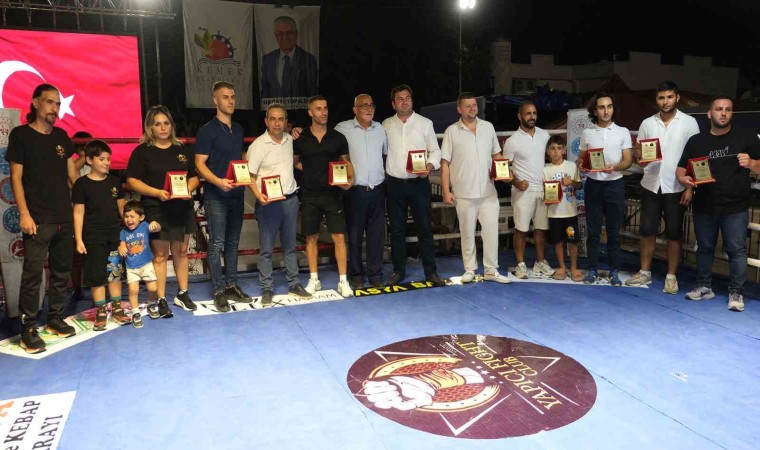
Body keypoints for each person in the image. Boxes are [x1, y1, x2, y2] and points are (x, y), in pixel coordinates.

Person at [6, 84, 80, 353]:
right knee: (33, 274)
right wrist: (24, 213)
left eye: (58, 104)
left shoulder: (61, 136)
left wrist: (86, 201)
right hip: (37, 218)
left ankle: (55, 318)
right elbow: (15, 178)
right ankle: (27, 327)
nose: (54, 108)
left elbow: (72, 174)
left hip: (64, 216)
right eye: (49, 102)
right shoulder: (21, 135)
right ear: (35, 103)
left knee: (61, 272)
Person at [676, 96, 760, 312]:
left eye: (728, 110)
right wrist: (685, 181)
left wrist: (752, 163)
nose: (723, 113)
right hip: (705, 204)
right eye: (719, 109)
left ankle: (736, 292)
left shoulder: (746, 136)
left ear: (732, 113)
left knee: (736, 250)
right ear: (709, 113)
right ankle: (704, 286)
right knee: (704, 248)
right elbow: (681, 169)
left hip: (735, 206)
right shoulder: (696, 141)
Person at [126, 105, 200, 318]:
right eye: (157, 124)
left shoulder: (182, 150)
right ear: (150, 127)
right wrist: (157, 192)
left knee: (182, 251)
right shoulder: (142, 151)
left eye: (166, 123)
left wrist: (187, 189)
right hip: (156, 207)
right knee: (160, 255)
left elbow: (194, 177)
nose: (163, 127)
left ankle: (183, 293)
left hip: (181, 207)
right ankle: (160, 299)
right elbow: (132, 181)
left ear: (172, 125)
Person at [626, 81, 700, 293]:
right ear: (656, 99)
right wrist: (640, 158)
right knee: (647, 230)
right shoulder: (647, 123)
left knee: (674, 234)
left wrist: (690, 188)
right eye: (661, 98)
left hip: (677, 186)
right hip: (651, 183)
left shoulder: (689, 123)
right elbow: (639, 153)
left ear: (677, 97)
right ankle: (644, 272)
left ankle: (671, 276)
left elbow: (695, 158)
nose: (665, 101)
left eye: (669, 97)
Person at [440, 92, 510, 284]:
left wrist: (505, 172)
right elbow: (444, 163)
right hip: (463, 192)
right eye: (467, 105)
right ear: (459, 109)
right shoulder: (451, 131)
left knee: (491, 232)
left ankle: (491, 270)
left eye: (474, 105)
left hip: (488, 191)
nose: (472, 108)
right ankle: (469, 269)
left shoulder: (488, 127)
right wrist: (446, 191)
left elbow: (497, 155)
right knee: (467, 233)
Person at [247, 103, 312, 306]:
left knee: (290, 246)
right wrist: (258, 195)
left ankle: (294, 283)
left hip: (290, 200)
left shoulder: (290, 140)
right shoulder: (258, 145)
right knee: (266, 249)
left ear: (286, 122)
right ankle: (267, 288)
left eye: (281, 119)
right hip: (268, 203)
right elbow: (249, 175)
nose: (277, 123)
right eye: (273, 119)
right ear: (266, 121)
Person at [195, 81, 252, 313]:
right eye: (225, 97)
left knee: (232, 243)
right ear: (215, 100)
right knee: (216, 243)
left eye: (233, 96)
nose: (230, 100)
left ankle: (231, 285)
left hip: (236, 193)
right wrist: (218, 181)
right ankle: (218, 290)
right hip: (216, 195)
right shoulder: (206, 130)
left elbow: (241, 159)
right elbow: (199, 164)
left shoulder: (238, 129)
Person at [382, 85, 445, 286]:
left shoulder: (425, 123)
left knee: (424, 229)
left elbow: (436, 151)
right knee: (397, 230)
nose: (404, 101)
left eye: (407, 98)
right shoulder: (385, 124)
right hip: (394, 184)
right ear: (393, 104)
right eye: (400, 99)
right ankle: (398, 271)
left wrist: (429, 166)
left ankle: (431, 272)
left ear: (412, 100)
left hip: (419, 184)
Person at [294, 95, 354, 297]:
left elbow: (346, 162)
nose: (324, 112)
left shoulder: (338, 137)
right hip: (309, 195)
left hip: (332, 194)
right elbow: (294, 162)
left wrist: (350, 179)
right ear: (310, 112)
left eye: (325, 108)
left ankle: (343, 281)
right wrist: (311, 171)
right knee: (311, 237)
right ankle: (314, 279)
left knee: (339, 236)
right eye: (318, 109)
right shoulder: (301, 137)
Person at [72, 140, 129, 330]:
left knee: (115, 273)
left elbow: (122, 208)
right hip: (92, 237)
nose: (106, 163)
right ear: (89, 160)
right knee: (96, 275)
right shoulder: (81, 184)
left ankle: (117, 308)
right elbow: (78, 213)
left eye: (108, 159)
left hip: (114, 235)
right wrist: (79, 239)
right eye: (102, 159)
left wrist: (131, 229)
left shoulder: (114, 182)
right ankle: (101, 310)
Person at [579, 92, 633, 286]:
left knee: (613, 231)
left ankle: (614, 270)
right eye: (601, 107)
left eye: (609, 107)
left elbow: (628, 161)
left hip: (615, 184)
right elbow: (581, 159)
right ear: (595, 111)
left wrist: (615, 167)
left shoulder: (623, 132)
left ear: (613, 109)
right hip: (593, 185)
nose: (606, 111)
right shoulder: (587, 133)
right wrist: (582, 165)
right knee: (593, 231)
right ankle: (592, 269)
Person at [336, 94, 388, 289]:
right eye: (364, 105)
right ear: (355, 109)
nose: (369, 108)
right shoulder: (342, 128)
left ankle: (376, 274)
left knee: (376, 236)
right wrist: (298, 130)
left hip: (378, 190)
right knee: (355, 235)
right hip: (355, 191)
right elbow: (324, 138)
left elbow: (385, 154)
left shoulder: (380, 129)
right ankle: (356, 275)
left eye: (371, 105)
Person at [503, 101, 555, 279]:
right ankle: (520, 264)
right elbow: (503, 167)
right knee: (521, 229)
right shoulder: (512, 141)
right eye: (528, 113)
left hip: (542, 190)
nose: (532, 116)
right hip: (523, 192)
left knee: (541, 229)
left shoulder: (544, 135)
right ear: (520, 116)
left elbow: (553, 158)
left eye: (534, 113)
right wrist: (516, 182)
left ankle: (540, 261)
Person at [543, 135, 583, 282]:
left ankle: (574, 267)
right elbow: (544, 191)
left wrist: (571, 182)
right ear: (547, 151)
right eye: (552, 148)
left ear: (564, 150)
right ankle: (561, 267)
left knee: (573, 241)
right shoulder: (545, 170)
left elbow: (579, 185)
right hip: (554, 212)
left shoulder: (571, 166)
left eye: (559, 148)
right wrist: (548, 199)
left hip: (570, 211)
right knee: (558, 241)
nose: (556, 152)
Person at [119, 200, 161, 326]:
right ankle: (135, 312)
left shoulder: (144, 226)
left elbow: (157, 228)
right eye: (126, 216)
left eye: (132, 216)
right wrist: (121, 247)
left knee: (153, 288)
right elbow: (121, 244)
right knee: (133, 290)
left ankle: (151, 304)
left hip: (146, 264)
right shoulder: (123, 232)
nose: (129, 220)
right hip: (131, 267)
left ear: (141, 217)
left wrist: (155, 224)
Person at [260, 16, 318, 98]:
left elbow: (312, 93)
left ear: (296, 34)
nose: (285, 38)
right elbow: (265, 93)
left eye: (289, 33)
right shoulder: (268, 60)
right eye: (280, 34)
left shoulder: (309, 59)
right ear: (275, 36)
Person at [70, 130, 93, 301]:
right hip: (77, 211)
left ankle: (96, 285)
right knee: (77, 256)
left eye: (87, 146)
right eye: (82, 146)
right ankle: (77, 288)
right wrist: (85, 156)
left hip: (94, 212)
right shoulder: (72, 163)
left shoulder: (97, 162)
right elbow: (72, 176)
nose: (85, 149)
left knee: (95, 253)